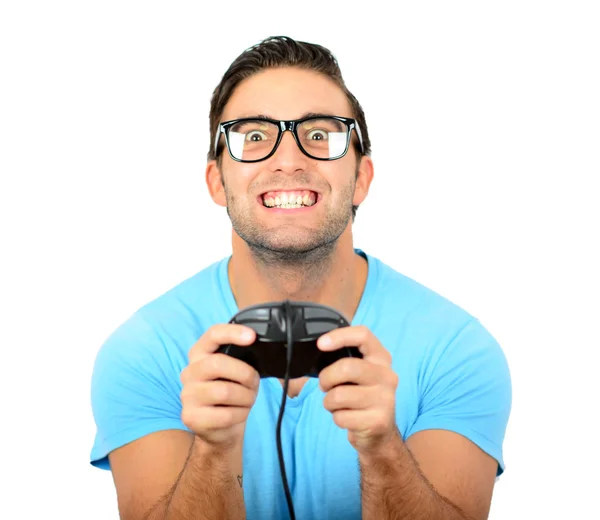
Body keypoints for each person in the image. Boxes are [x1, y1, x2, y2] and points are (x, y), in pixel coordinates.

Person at [90, 36, 512, 520]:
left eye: (319, 135)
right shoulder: (143, 350)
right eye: (253, 136)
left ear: (361, 179)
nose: (288, 160)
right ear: (216, 182)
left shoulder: (456, 349)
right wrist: (213, 448)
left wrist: (382, 450)